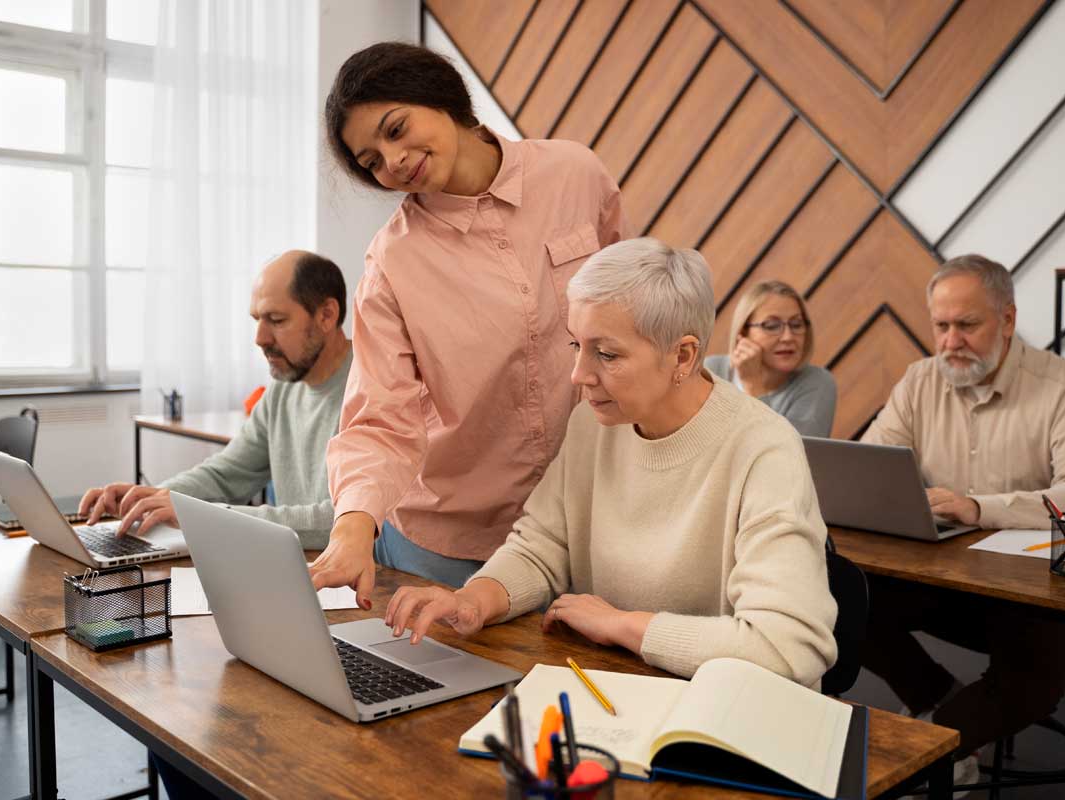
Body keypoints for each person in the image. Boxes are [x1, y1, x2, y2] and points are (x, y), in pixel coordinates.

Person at [384, 238, 837, 686]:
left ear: (682, 355)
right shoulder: (593, 424)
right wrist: (475, 599)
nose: (579, 375)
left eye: (606, 354)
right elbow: (542, 546)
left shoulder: (765, 450)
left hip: (719, 710)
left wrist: (623, 625)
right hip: (613, 688)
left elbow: (788, 645)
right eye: (575, 345)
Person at [309, 42, 632, 603]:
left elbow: (633, 308)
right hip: (455, 545)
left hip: (591, 519)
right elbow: (380, 418)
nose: (393, 161)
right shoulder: (392, 263)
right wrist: (353, 528)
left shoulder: (575, 174)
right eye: (372, 162)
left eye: (396, 129)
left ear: (439, 94)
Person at [860, 253, 1065, 789]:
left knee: (1032, 676)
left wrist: (980, 507)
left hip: (1037, 592)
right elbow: (870, 468)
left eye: (967, 324)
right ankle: (941, 711)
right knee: (841, 596)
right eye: (941, 326)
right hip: (942, 579)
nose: (950, 341)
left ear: (1007, 319)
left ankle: (937, 741)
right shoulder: (919, 381)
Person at [80, 250, 353, 550]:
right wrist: (150, 499)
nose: (260, 338)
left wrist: (205, 517)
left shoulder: (371, 392)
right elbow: (227, 474)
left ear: (327, 315)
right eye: (257, 320)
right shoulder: (283, 387)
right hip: (300, 566)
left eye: (276, 320)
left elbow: (343, 520)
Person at [705, 280, 836, 437]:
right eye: (772, 326)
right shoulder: (711, 371)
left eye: (796, 324)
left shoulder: (818, 382)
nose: (788, 337)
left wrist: (753, 386)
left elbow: (789, 450)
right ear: (743, 332)